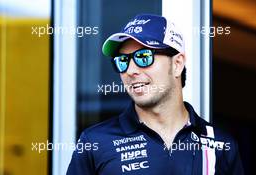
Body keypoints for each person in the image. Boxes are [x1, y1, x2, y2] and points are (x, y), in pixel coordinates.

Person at [67, 14, 244, 175]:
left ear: (177, 64)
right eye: (122, 61)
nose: (130, 70)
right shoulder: (95, 142)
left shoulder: (220, 145)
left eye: (143, 57)